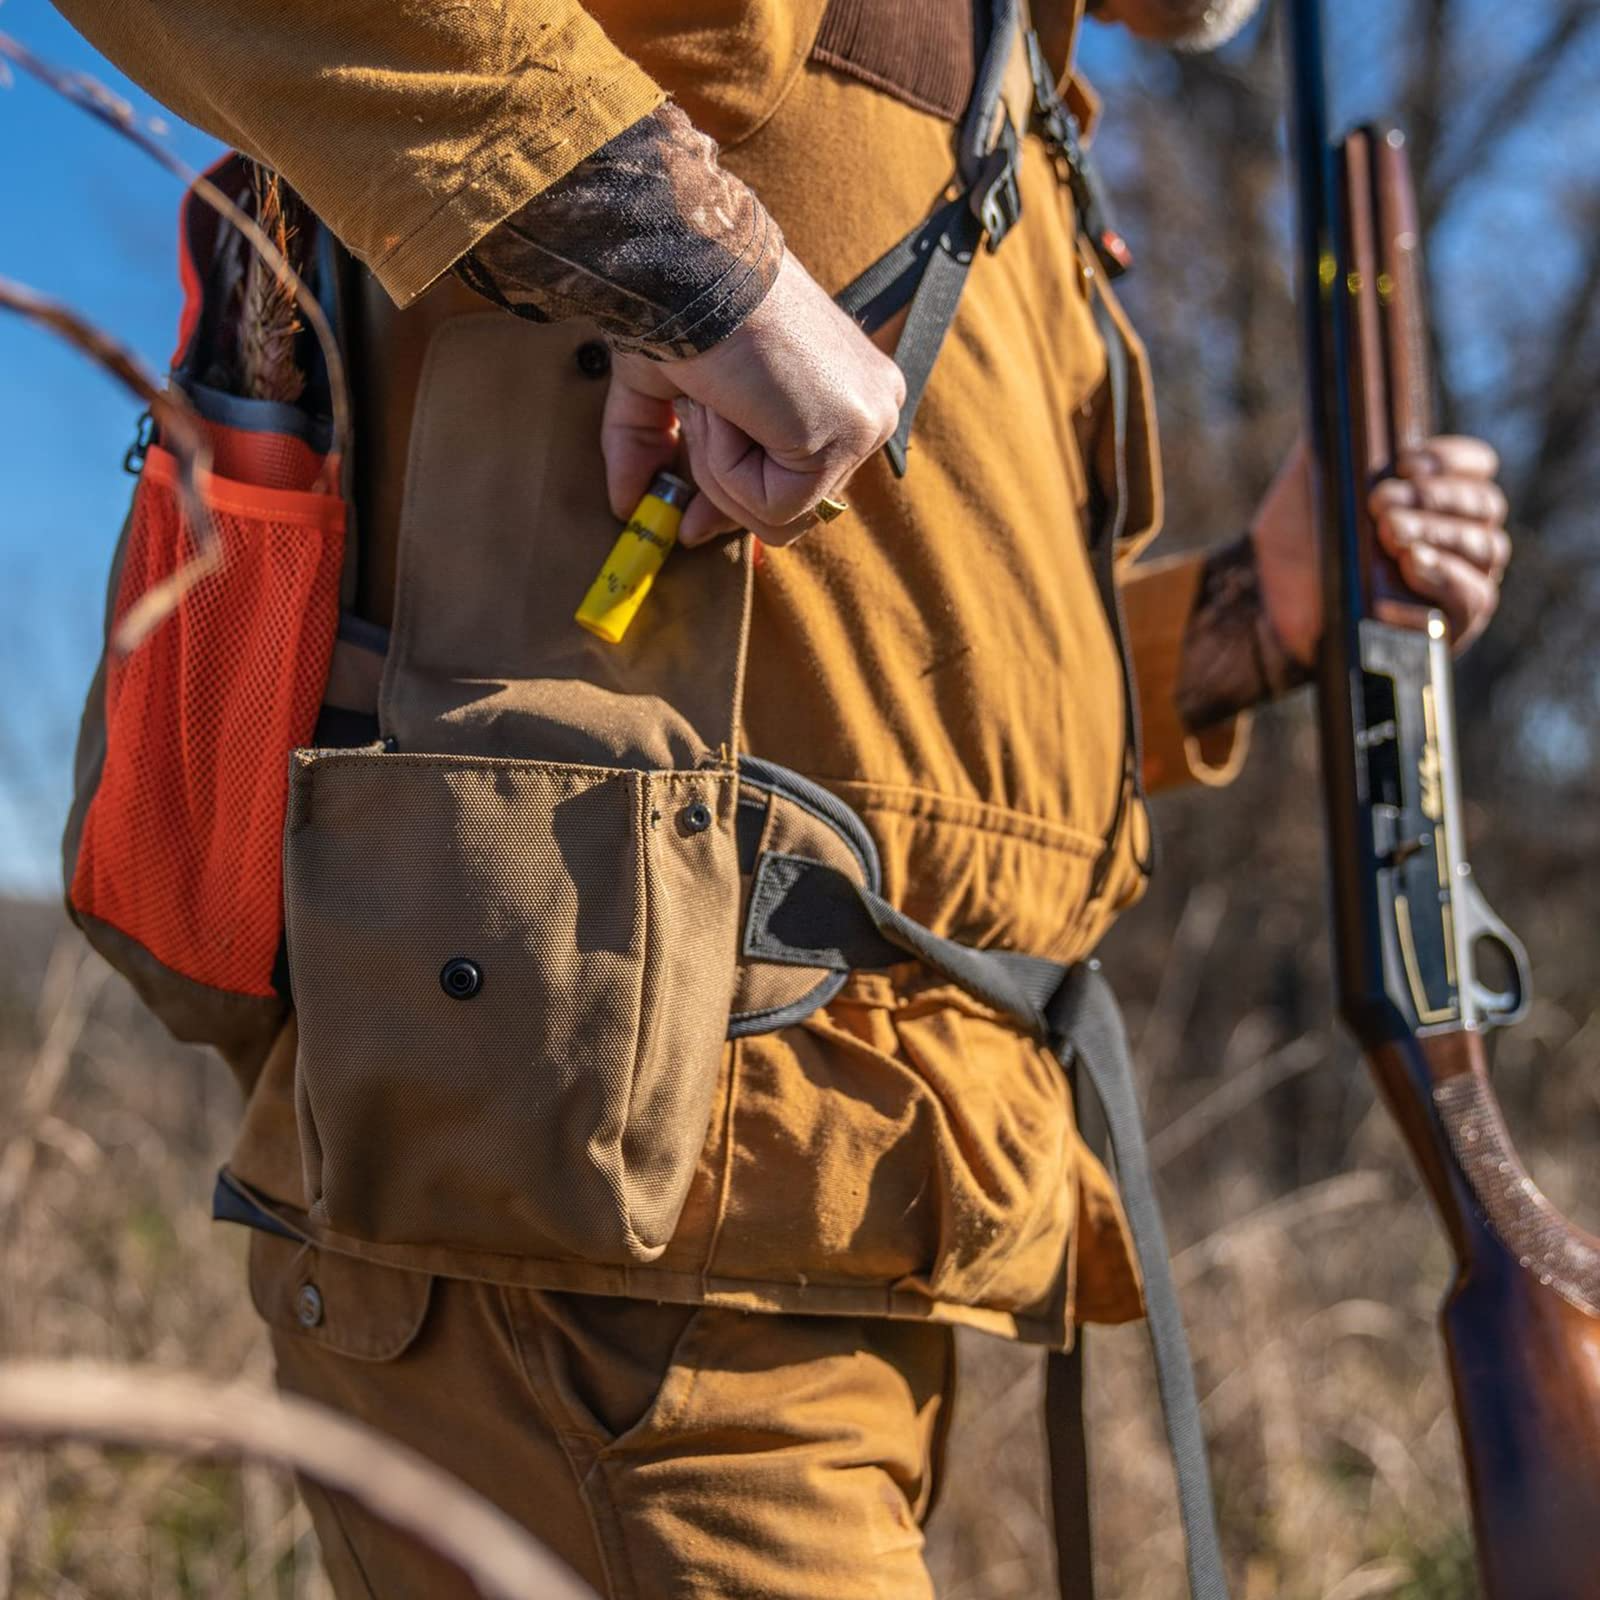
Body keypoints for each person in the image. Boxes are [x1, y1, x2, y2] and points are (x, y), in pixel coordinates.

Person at [56, 0, 1511, 1594]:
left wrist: (1257, 615)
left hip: (865, 1221)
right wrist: (680, 252)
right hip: (612, 1223)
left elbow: (918, 742)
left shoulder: (1026, 91)